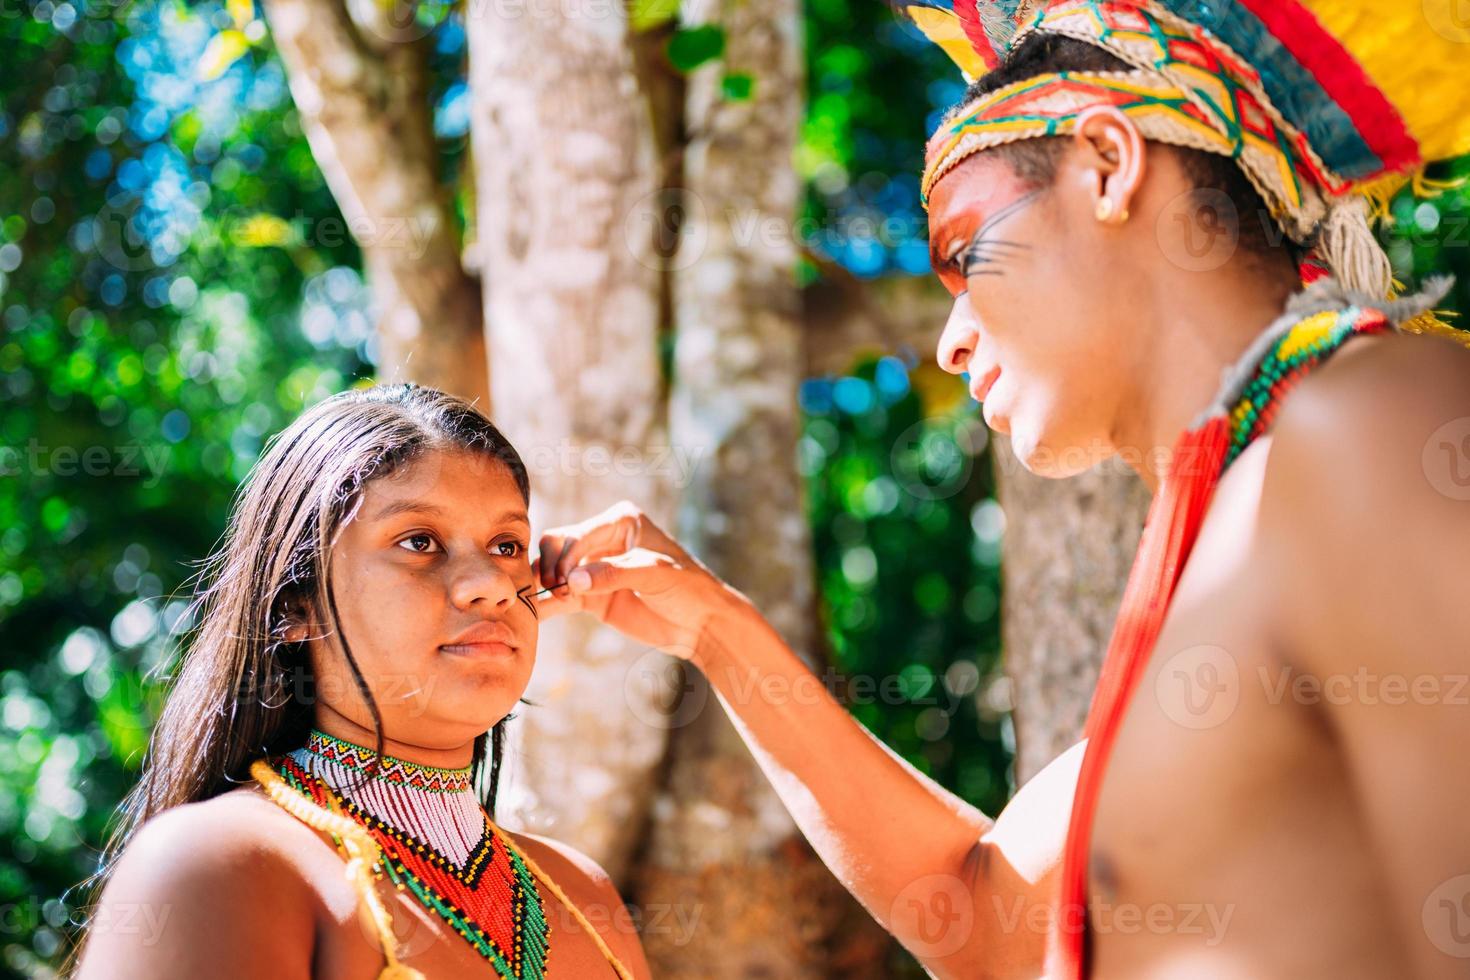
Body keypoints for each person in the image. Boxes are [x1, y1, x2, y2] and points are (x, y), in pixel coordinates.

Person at [529, 1, 1470, 977]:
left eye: (963, 252)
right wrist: (715, 632)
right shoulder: (1238, 542)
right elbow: (979, 915)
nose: (951, 339)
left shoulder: (1365, 431)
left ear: (1108, 165)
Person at [64, 384, 650, 980]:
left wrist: (711, 625)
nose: (492, 583)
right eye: (419, 541)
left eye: (507, 545)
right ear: (295, 607)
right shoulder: (218, 866)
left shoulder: (586, 900)